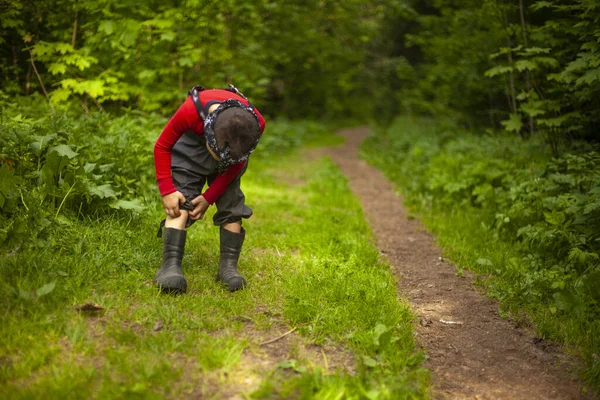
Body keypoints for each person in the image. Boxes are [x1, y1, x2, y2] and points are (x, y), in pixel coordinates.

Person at [153, 85, 266, 293]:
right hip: (189, 144)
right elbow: (162, 146)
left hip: (232, 148)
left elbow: (236, 164)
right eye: (218, 157)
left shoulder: (255, 125)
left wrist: (208, 197)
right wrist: (167, 190)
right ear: (209, 136)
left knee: (232, 202)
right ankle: (169, 267)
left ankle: (228, 268)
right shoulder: (190, 112)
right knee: (182, 200)